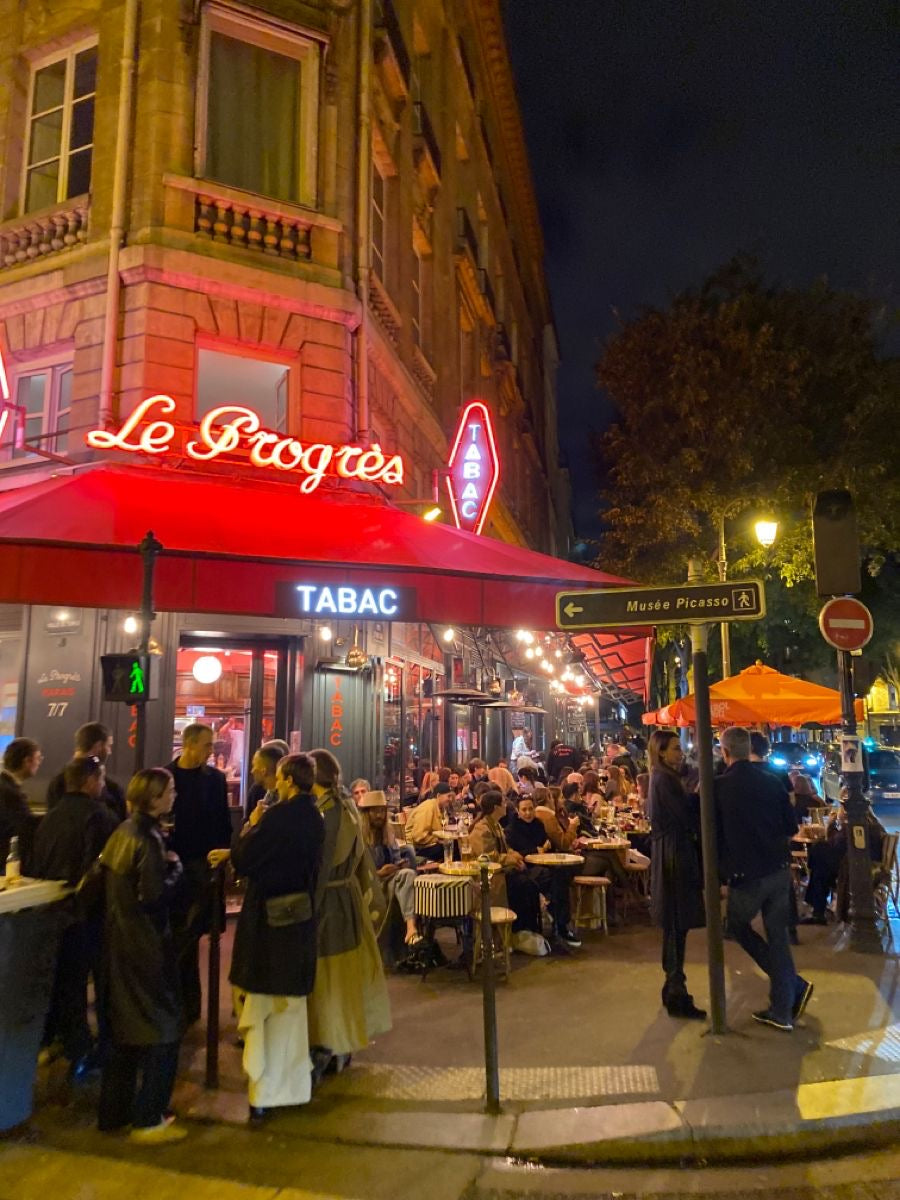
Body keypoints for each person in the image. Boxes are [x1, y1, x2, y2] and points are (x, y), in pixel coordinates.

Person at [229, 752, 324, 1122]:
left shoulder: (277, 817)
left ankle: (263, 1091)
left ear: (286, 779)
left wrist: (250, 825)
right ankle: (293, 1086)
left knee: (264, 1011)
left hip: (268, 926)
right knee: (291, 1012)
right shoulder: (314, 818)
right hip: (298, 920)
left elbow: (245, 859)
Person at [97, 768, 186, 1143]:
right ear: (153, 798)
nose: (174, 795)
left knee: (122, 1032)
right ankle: (149, 1116)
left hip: (117, 944)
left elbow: (95, 882)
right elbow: (152, 896)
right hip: (147, 946)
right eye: (169, 791)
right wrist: (175, 870)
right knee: (163, 1029)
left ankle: (113, 1112)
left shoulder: (121, 832)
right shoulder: (148, 840)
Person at [715, 727, 813, 1031]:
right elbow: (790, 825)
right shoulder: (773, 781)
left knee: (736, 926)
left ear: (725, 751)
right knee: (779, 937)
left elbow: (714, 835)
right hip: (779, 869)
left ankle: (792, 985)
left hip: (748, 874)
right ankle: (782, 1009)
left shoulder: (719, 787)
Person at [32, 755, 119, 1077]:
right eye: (101, 778)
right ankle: (100, 1050)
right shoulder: (101, 817)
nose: (103, 784)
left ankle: (72, 1045)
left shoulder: (49, 818)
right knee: (105, 982)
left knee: (68, 983)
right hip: (91, 914)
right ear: (90, 781)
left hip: (56, 912)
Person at [306, 749, 391, 1076]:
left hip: (332, 906)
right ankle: (341, 1044)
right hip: (349, 900)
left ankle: (330, 1046)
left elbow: (321, 867)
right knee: (342, 979)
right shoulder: (348, 810)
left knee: (330, 980)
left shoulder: (329, 815)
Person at [167, 723, 231, 1026]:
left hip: (204, 869)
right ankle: (181, 1005)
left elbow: (222, 824)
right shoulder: (167, 777)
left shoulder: (215, 780)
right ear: (188, 744)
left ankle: (189, 1007)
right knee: (180, 939)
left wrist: (223, 862)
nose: (212, 751)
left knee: (195, 937)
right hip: (174, 869)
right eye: (207, 745)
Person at [647, 730, 706, 1020]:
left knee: (675, 926)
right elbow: (684, 815)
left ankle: (673, 986)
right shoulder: (665, 780)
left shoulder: (663, 778)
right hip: (674, 857)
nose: (679, 752)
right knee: (675, 923)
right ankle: (676, 990)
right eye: (673, 748)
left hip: (669, 853)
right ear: (660, 752)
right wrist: (696, 797)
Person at [505, 794, 581, 948]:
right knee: (554, 881)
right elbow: (517, 851)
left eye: (530, 809)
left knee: (561, 876)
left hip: (542, 865)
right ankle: (560, 927)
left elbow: (546, 845)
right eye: (524, 809)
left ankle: (560, 925)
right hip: (524, 869)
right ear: (518, 811)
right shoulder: (512, 828)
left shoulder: (538, 824)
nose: (528, 813)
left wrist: (542, 849)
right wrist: (535, 850)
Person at [802, 791, 885, 924]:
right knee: (820, 860)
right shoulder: (874, 824)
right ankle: (817, 910)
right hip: (859, 863)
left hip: (857, 867)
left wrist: (832, 824)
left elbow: (836, 843)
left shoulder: (856, 825)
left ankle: (817, 911)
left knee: (819, 860)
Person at [357, 790, 421, 947]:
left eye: (382, 811)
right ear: (367, 813)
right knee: (407, 876)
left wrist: (399, 865)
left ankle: (411, 928)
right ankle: (411, 928)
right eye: (375, 811)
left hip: (391, 879)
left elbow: (396, 858)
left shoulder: (388, 833)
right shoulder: (359, 838)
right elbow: (357, 872)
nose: (379, 815)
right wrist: (378, 873)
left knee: (408, 873)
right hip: (371, 885)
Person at [46, 722, 126, 823]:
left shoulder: (57, 782)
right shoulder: (112, 789)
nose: (109, 751)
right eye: (108, 746)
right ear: (99, 745)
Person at [0, 737, 42, 869]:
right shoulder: (10, 793)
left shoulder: (6, 786)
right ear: (27, 761)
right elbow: (24, 827)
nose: (39, 762)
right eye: (38, 758)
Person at [403, 781, 453, 862]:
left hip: (427, 845)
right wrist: (438, 839)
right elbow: (418, 837)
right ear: (438, 796)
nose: (450, 799)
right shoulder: (428, 808)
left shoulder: (441, 808)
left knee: (453, 844)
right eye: (448, 796)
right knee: (448, 847)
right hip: (416, 850)